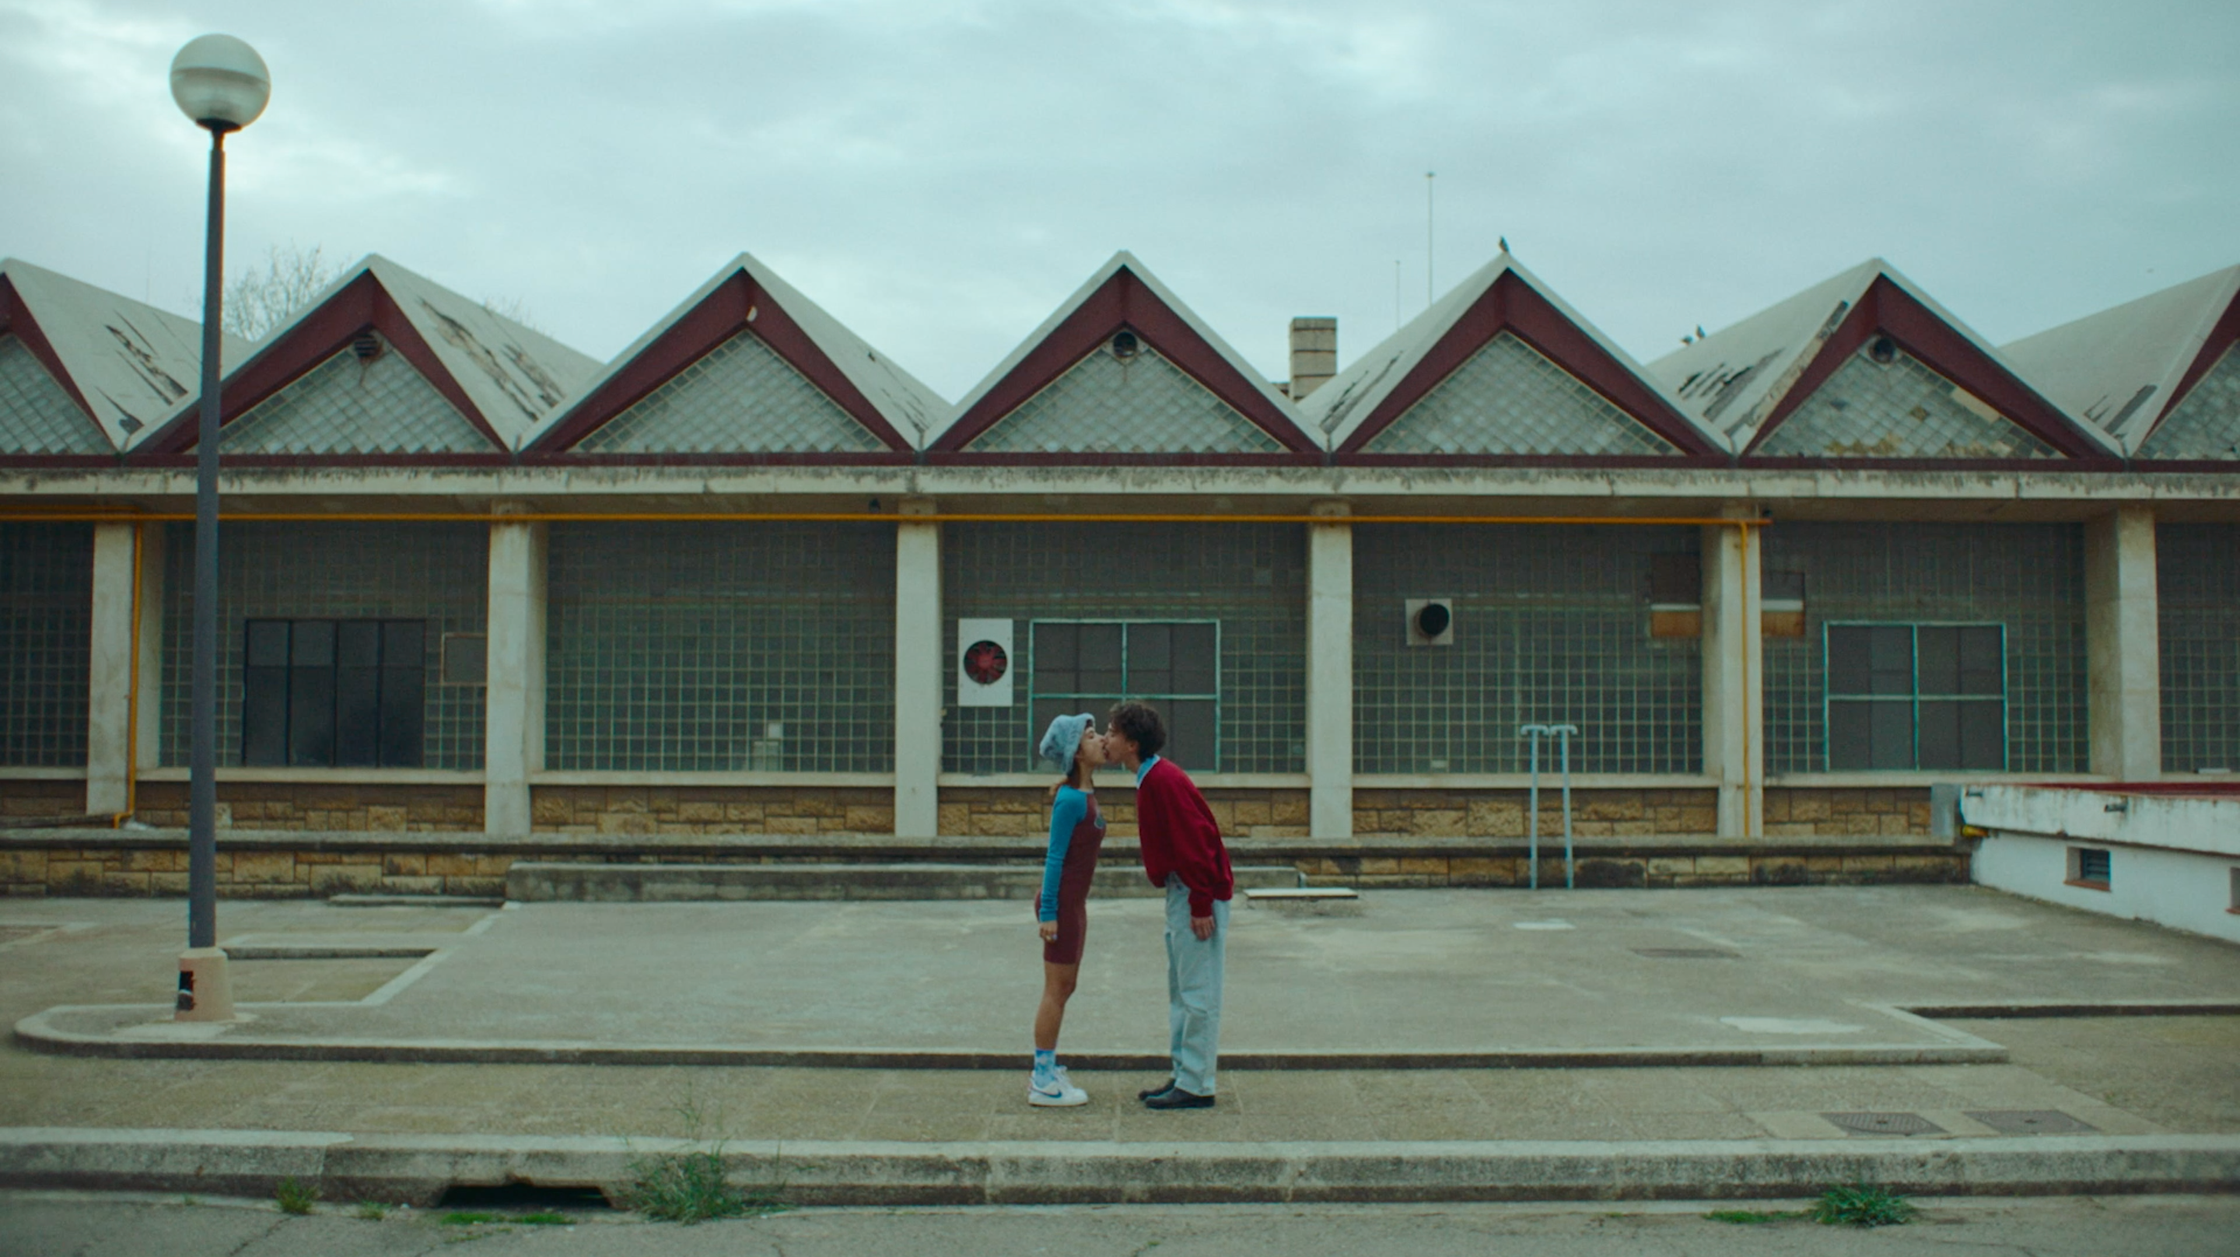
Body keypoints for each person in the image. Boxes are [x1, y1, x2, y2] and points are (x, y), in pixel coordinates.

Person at [1103, 701, 1233, 1110]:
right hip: (1183, 890)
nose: (1105, 739)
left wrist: (1200, 903)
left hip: (1194, 892)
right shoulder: (1152, 778)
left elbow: (1196, 840)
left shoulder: (1163, 780)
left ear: (1132, 743)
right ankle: (1183, 1073)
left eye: (1112, 732)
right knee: (1181, 990)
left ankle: (1197, 1084)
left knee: (1198, 992)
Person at [1028, 712, 1108, 1107]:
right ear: (1077, 752)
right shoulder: (1071, 800)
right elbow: (1054, 858)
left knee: (1066, 987)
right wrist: (1049, 914)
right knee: (1055, 991)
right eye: (1092, 736)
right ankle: (1042, 1080)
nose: (1101, 739)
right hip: (1060, 906)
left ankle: (1048, 1068)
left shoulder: (1084, 794)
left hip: (1073, 905)